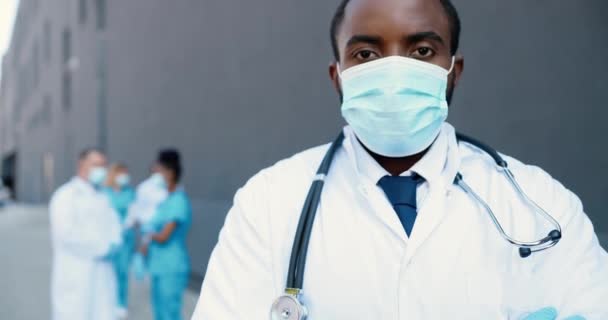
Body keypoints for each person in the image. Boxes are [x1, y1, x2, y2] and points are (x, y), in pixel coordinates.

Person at [191, 0, 608, 319]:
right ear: (338, 77)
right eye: (367, 55)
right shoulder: (267, 202)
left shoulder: (542, 205)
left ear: (453, 72)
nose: (393, 70)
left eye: (422, 51)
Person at [49, 148, 122, 320]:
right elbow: (66, 234)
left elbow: (115, 226)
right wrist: (103, 247)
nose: (102, 170)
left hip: (103, 275)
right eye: (96, 164)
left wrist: (114, 243)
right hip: (76, 275)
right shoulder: (65, 196)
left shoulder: (103, 197)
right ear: (81, 165)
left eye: (104, 165)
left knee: (103, 312)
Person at [139, 149, 192, 320]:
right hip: (159, 265)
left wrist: (148, 233)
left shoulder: (178, 201)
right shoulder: (166, 200)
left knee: (170, 313)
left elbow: (164, 236)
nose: (155, 176)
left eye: (158, 172)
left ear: (169, 173)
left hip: (171, 267)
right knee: (160, 313)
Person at [104, 164, 136, 319]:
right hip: (108, 239)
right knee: (107, 272)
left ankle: (121, 304)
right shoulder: (105, 193)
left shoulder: (130, 193)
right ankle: (108, 302)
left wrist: (131, 221)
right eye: (121, 173)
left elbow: (135, 212)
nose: (124, 177)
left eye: (126, 173)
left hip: (125, 239)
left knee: (122, 272)